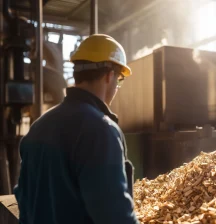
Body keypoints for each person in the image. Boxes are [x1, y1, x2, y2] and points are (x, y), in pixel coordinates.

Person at [13, 34, 140, 224]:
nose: (117, 86)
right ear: (109, 75)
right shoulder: (101, 131)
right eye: (119, 80)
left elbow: (23, 198)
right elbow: (114, 216)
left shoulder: (38, 127)